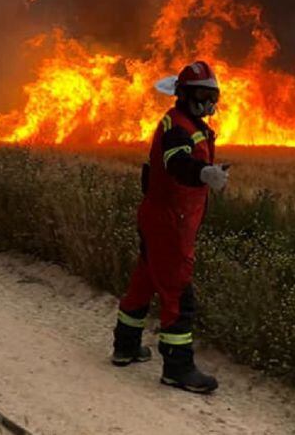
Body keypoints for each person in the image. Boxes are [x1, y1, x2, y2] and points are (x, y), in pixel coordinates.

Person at [111, 60, 229, 394]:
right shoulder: (179, 127)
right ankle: (178, 369)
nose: (209, 104)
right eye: (202, 96)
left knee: (144, 281)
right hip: (170, 225)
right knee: (179, 294)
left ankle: (126, 347)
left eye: (212, 96)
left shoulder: (185, 122)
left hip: (158, 218)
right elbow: (176, 162)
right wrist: (205, 173)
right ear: (185, 95)